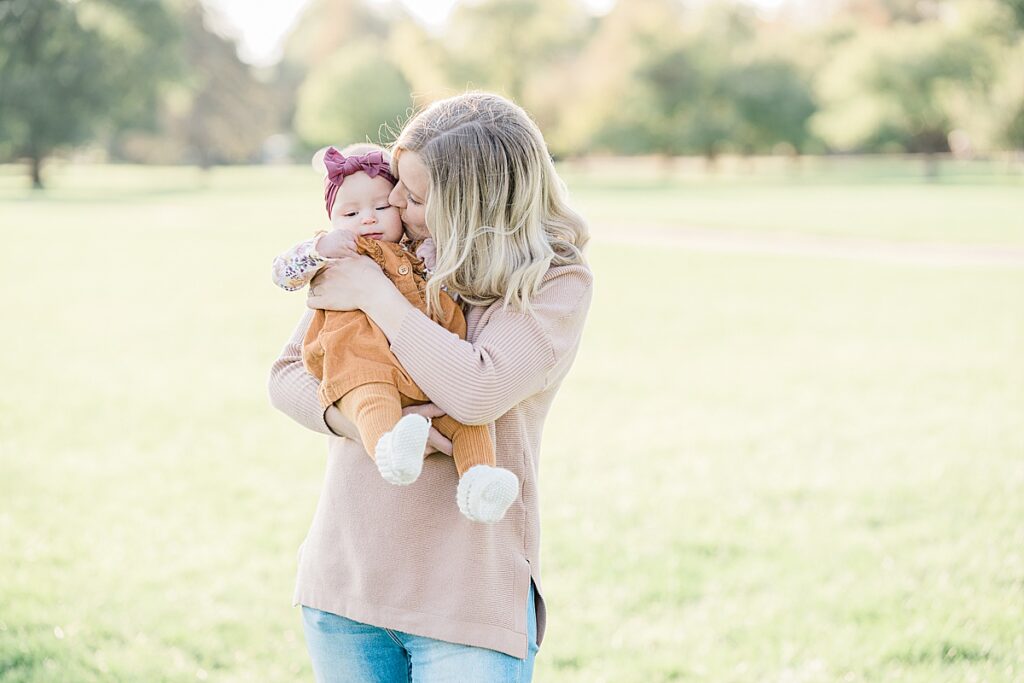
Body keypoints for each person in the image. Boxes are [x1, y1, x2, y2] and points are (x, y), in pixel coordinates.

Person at [268, 92, 593, 682]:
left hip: (466, 602)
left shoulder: (552, 282)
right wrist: (371, 428)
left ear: (475, 205)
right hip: (346, 583)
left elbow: (476, 391)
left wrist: (375, 296)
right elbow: (288, 374)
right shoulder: (385, 245)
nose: (391, 201)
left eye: (414, 195)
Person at [271, 142, 520, 524]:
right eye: (351, 213)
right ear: (333, 218)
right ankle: (390, 449)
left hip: (422, 377)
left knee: (467, 424)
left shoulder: (418, 253)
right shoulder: (340, 260)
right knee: (373, 399)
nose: (367, 220)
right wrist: (320, 248)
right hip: (361, 366)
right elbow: (283, 273)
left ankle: (480, 479)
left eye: (382, 207)